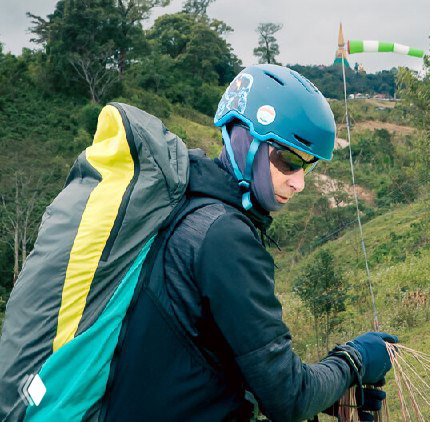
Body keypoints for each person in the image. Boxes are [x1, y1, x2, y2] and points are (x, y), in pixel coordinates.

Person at [100, 64, 397, 421]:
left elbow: (203, 358)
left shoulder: (188, 207)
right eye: (288, 160)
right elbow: (289, 399)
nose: (299, 182)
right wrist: (354, 361)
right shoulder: (223, 236)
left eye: (309, 165)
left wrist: (328, 395)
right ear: (244, 139)